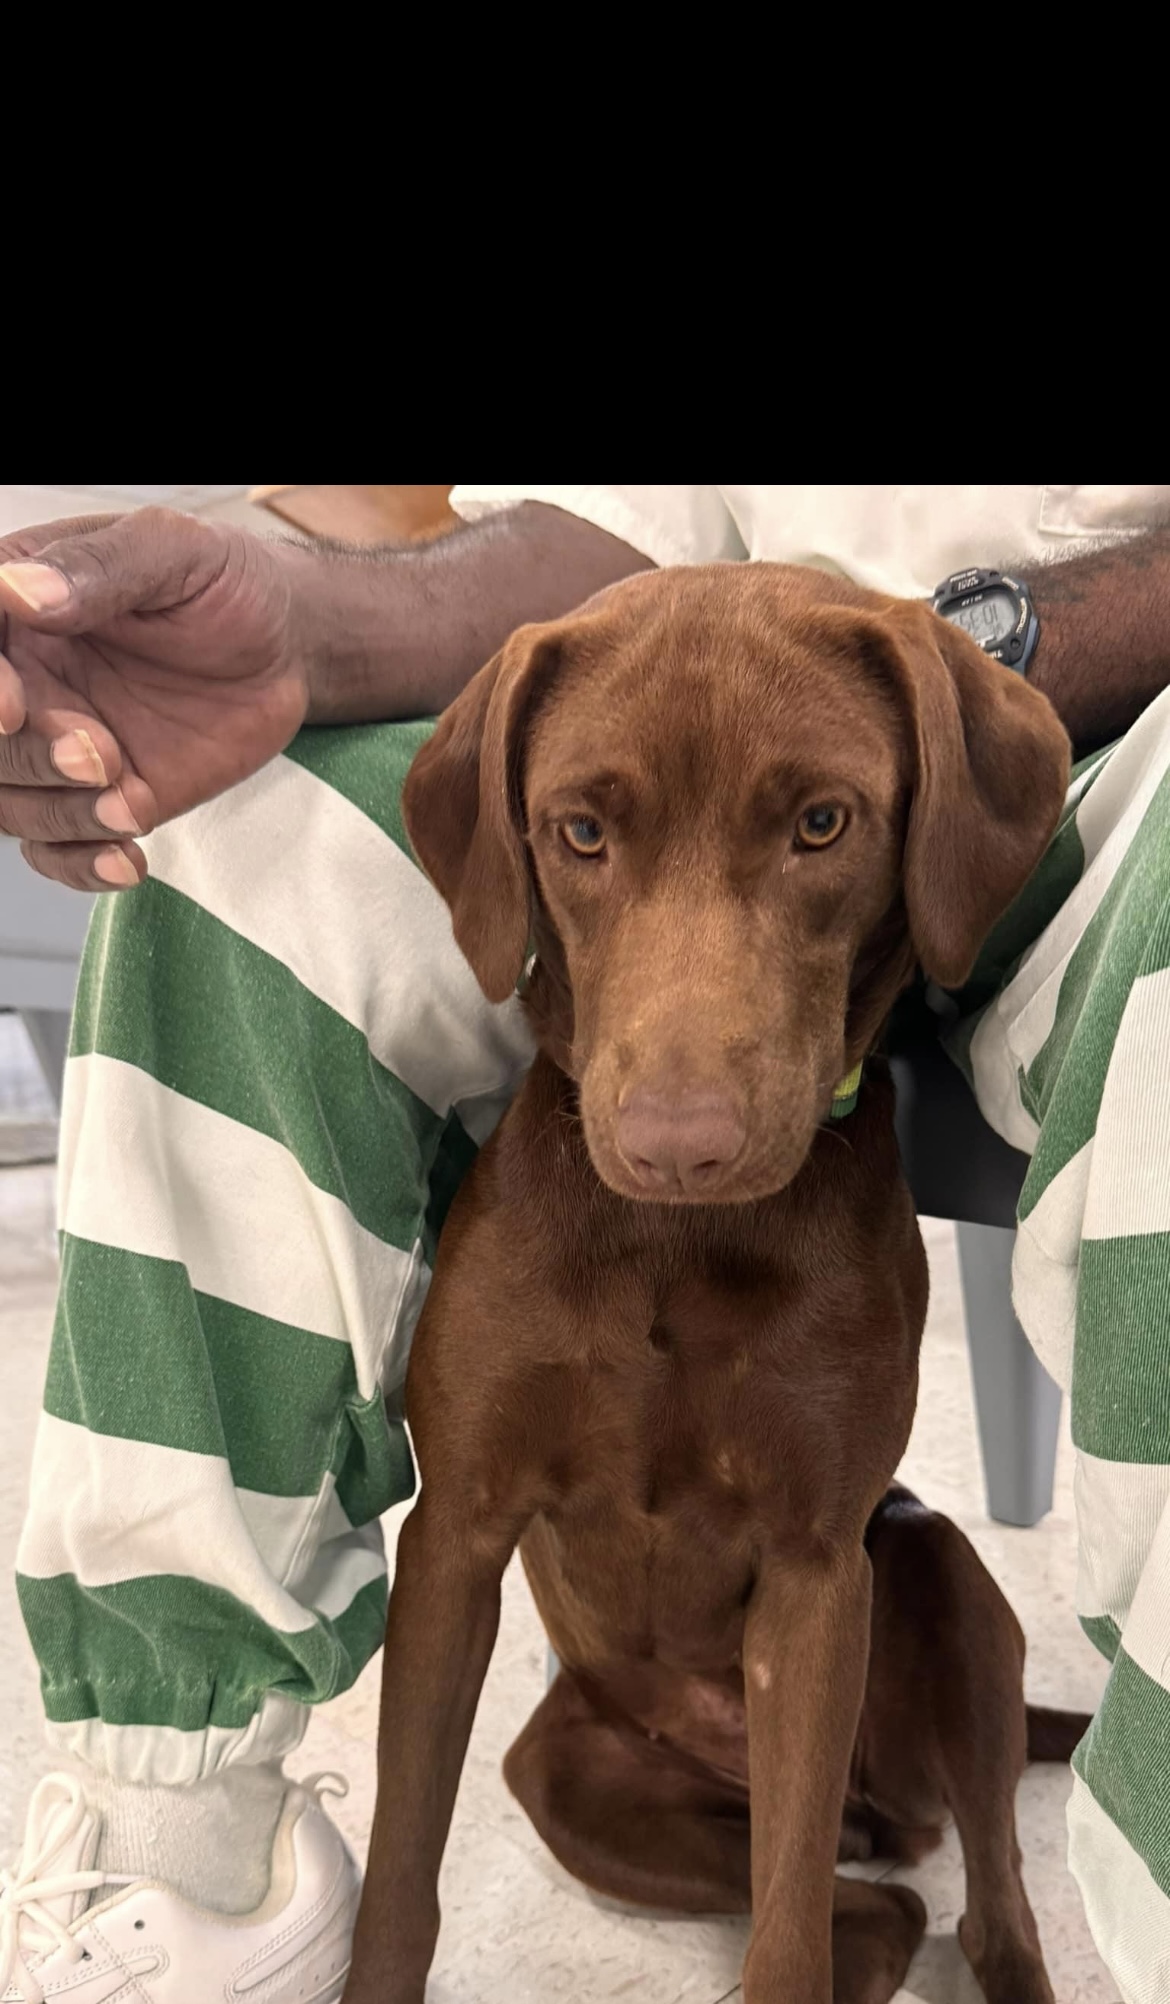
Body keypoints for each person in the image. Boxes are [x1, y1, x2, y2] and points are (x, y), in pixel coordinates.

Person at [0, 485, 1167, 2002]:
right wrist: (301, 615)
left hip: (1104, 742)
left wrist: (957, 668)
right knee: (226, 840)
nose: (678, 1126)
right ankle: (183, 1818)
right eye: (581, 837)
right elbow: (602, 531)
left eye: (814, 825)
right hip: (680, 696)